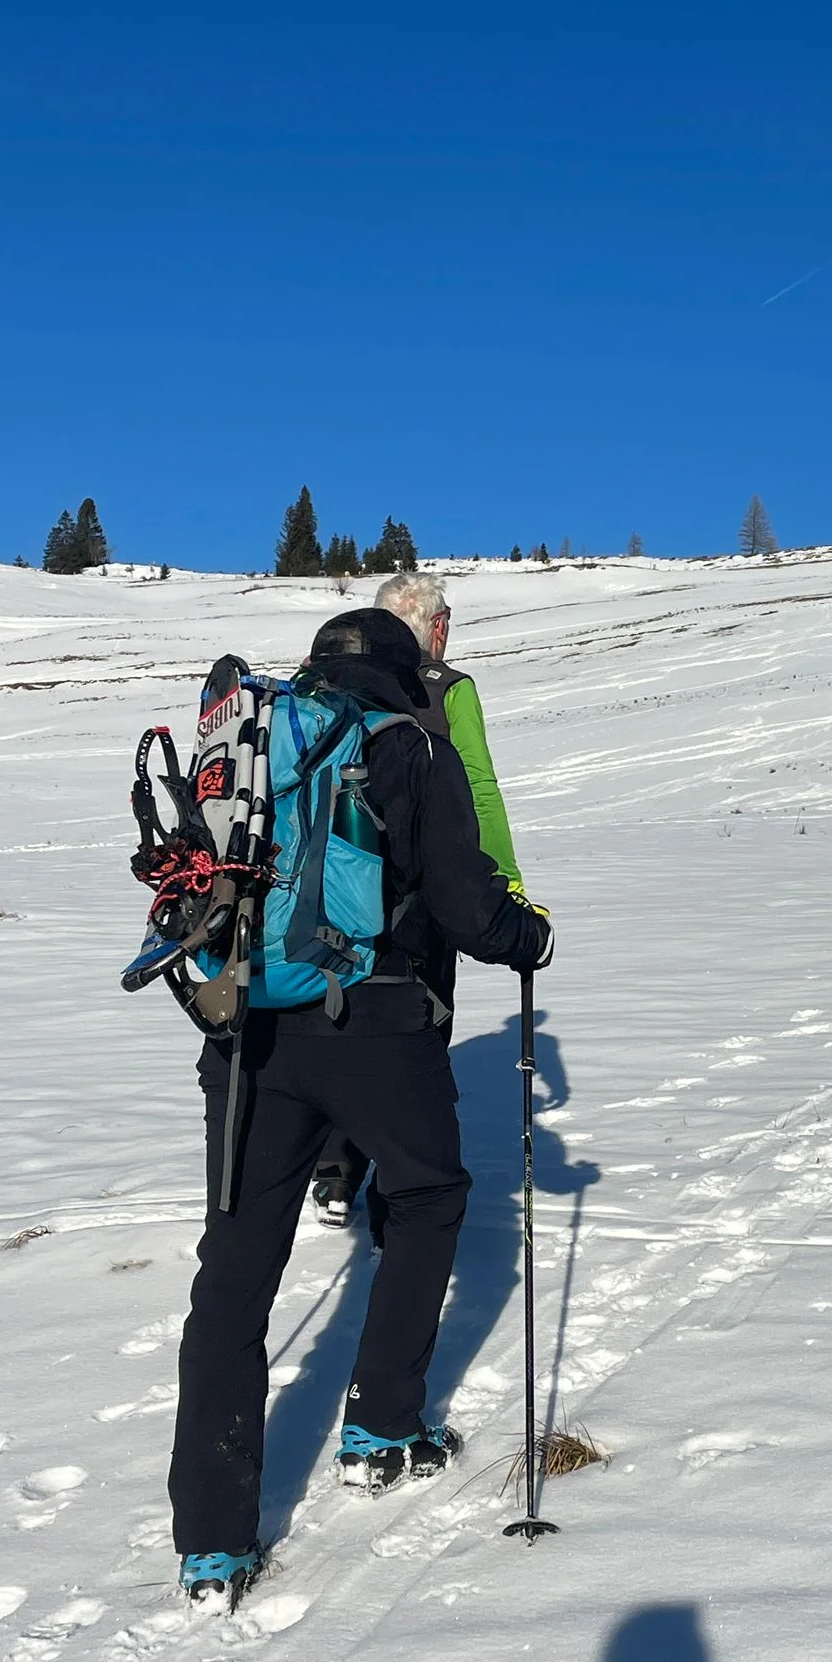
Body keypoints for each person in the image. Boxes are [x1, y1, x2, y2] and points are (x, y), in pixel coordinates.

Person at [170, 609, 551, 1609]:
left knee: (236, 1270)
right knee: (428, 1194)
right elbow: (467, 907)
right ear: (400, 669)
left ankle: (212, 1541)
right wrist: (528, 938)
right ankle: (383, 1425)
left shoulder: (255, 742)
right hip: (372, 1023)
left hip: (244, 1029)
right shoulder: (408, 745)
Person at [311, 568, 530, 1228]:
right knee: (423, 1020)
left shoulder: (326, 682)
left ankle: (333, 1170)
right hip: (423, 894)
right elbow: (478, 786)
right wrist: (506, 880)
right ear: (437, 626)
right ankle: (398, 1192)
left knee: (334, 1010)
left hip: (329, 888)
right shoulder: (448, 688)